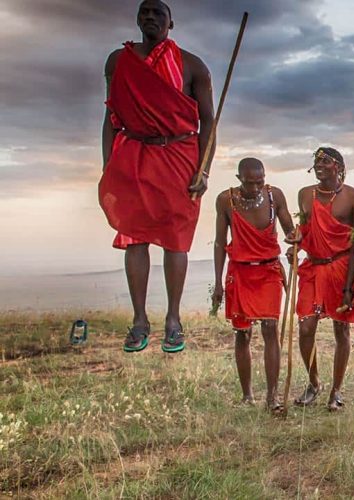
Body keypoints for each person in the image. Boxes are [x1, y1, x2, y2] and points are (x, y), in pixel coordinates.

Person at [99, 0, 214, 353]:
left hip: (179, 155)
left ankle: (173, 320)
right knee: (133, 235)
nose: (150, 17)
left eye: (158, 13)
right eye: (144, 12)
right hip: (133, 153)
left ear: (171, 23)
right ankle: (138, 320)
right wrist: (108, 166)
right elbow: (111, 114)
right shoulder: (118, 62)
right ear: (137, 19)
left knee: (176, 238)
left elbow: (208, 120)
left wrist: (203, 168)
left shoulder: (192, 66)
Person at [211, 158, 298, 412]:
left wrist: (295, 240)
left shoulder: (274, 196)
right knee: (242, 333)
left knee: (270, 327)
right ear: (240, 180)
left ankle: (272, 396)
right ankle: (247, 394)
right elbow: (219, 243)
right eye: (251, 183)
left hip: (269, 269)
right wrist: (218, 282)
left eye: (260, 181)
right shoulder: (225, 200)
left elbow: (289, 230)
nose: (256, 187)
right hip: (240, 271)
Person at [290, 148, 354, 411]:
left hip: (341, 267)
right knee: (305, 326)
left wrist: (349, 286)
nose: (319, 165)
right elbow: (306, 228)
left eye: (325, 161)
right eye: (316, 161)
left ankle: (336, 390)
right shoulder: (305, 194)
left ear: (339, 166)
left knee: (340, 328)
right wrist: (297, 243)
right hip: (313, 267)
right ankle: (314, 383)